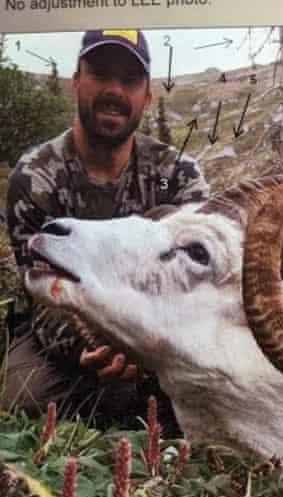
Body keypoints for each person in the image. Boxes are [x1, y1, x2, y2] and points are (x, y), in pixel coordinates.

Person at [2, 29, 209, 429]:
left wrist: (142, 346)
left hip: (160, 329)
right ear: (77, 81)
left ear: (146, 98)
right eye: (100, 74)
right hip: (67, 328)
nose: (115, 90)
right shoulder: (35, 176)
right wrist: (93, 344)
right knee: (21, 398)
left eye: (130, 80)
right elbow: (41, 291)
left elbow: (194, 285)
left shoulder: (179, 175)